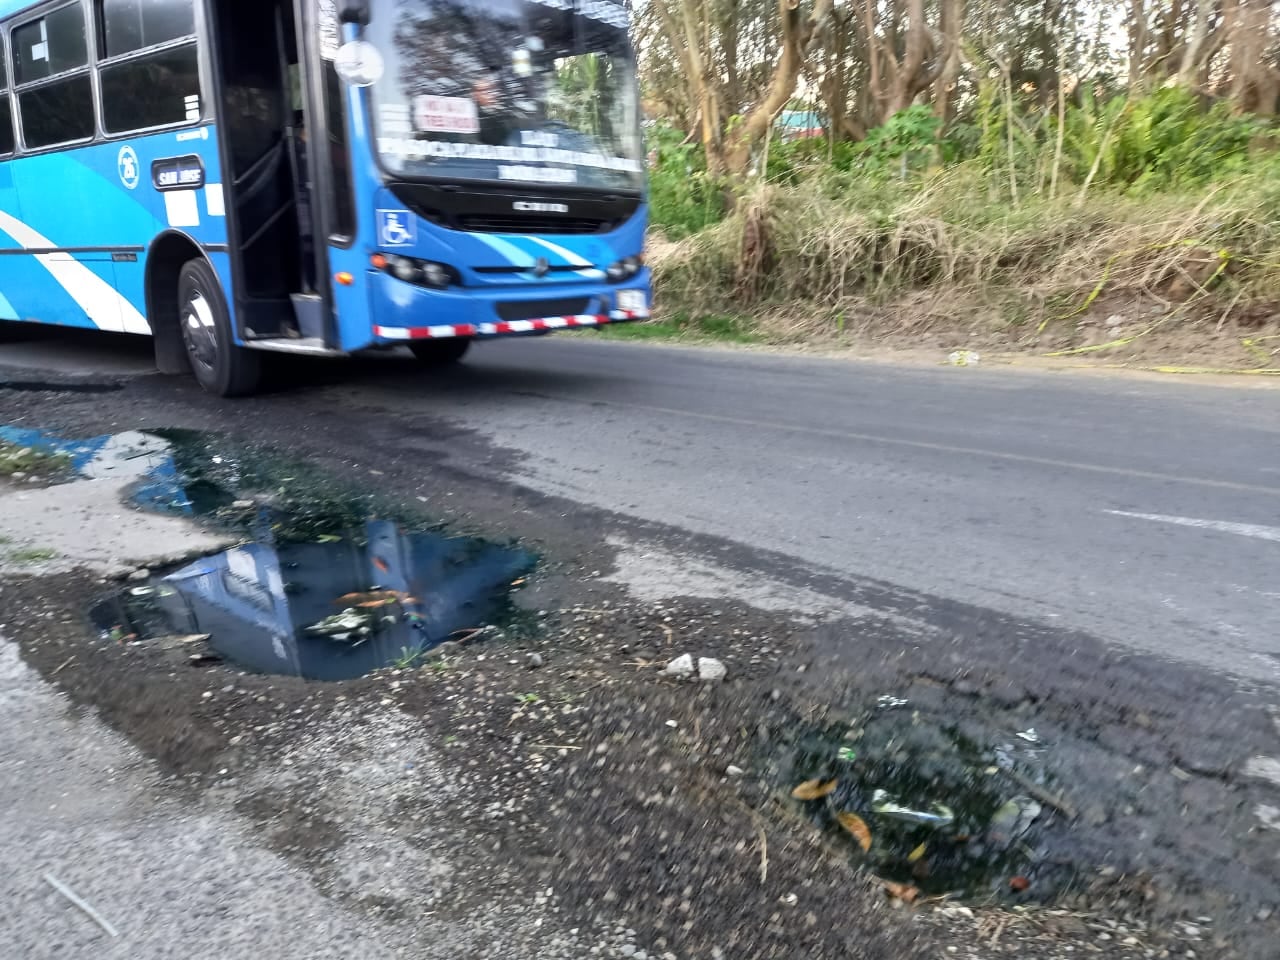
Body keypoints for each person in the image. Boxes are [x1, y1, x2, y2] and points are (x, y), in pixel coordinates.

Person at [291, 111, 315, 292]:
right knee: (308, 242)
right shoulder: (297, 148)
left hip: (310, 199)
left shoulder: (313, 147)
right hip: (302, 200)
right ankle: (311, 283)